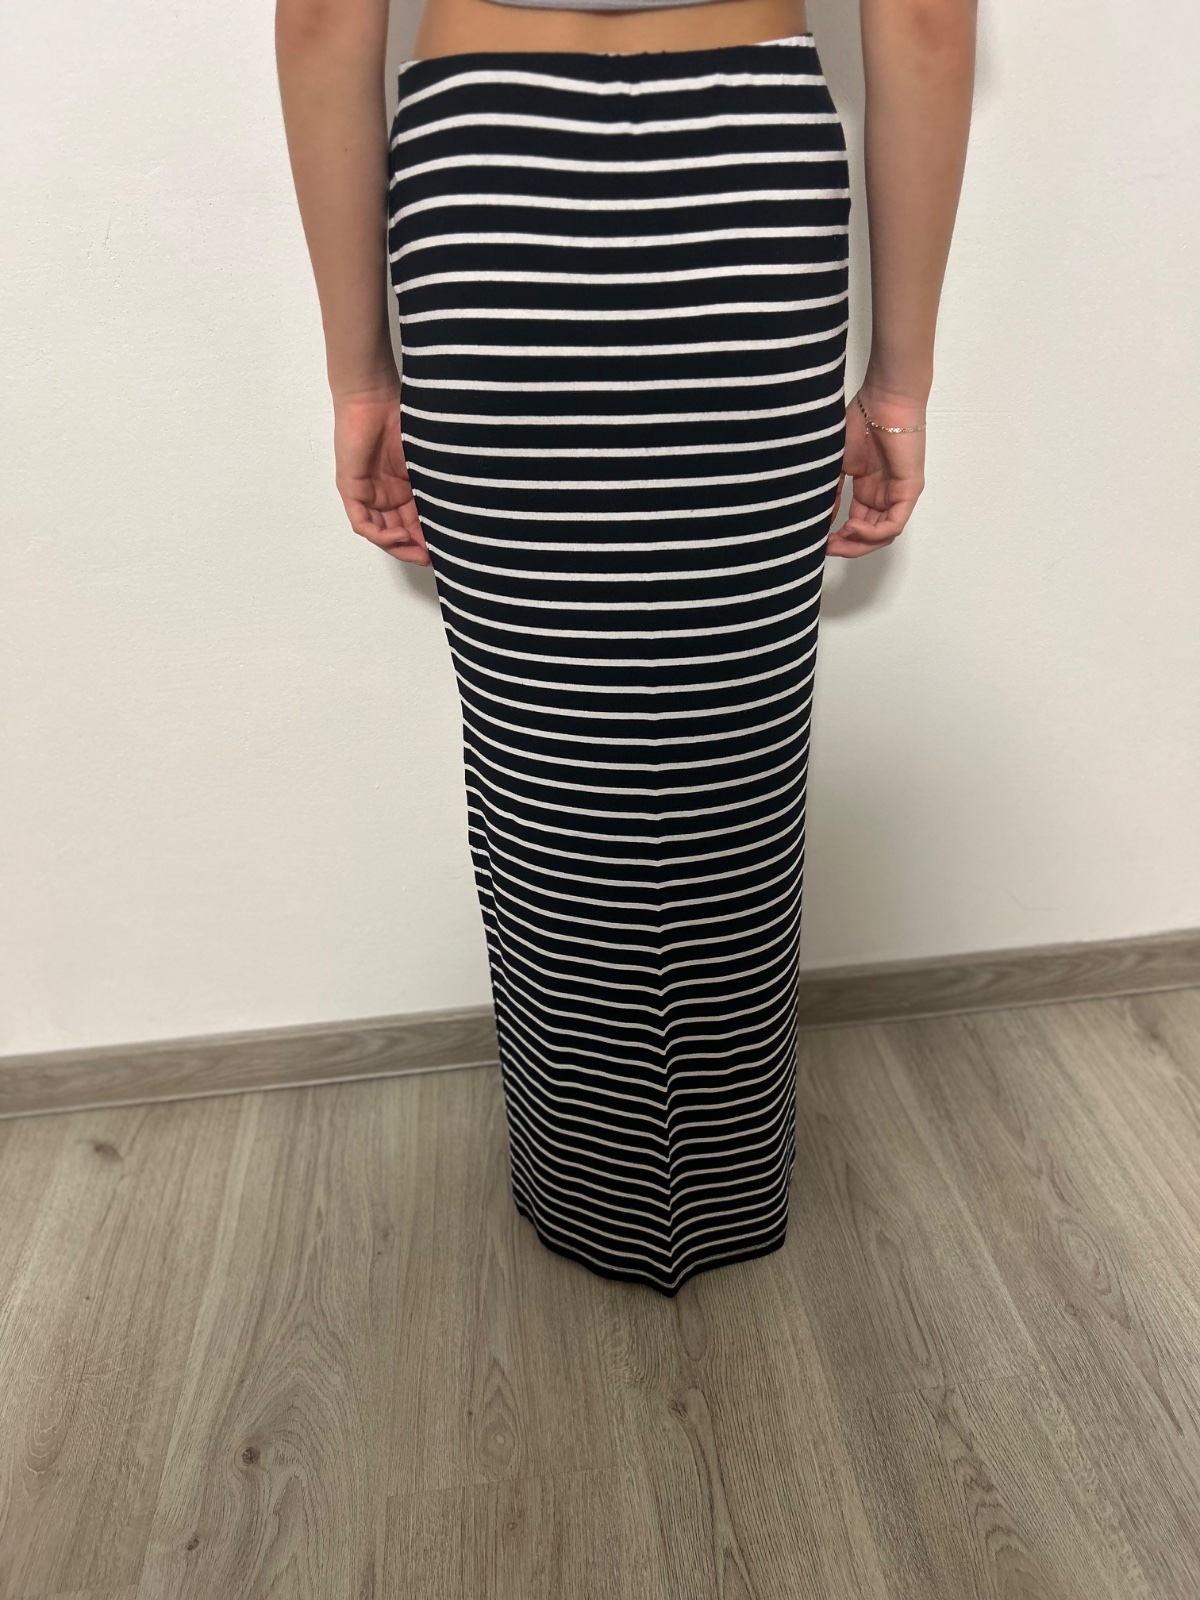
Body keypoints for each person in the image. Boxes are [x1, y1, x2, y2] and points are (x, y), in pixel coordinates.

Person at [275, 0, 976, 1295]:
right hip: (748, 186)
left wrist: (361, 380)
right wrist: (898, 387)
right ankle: (722, 1180)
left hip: (488, 182)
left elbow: (323, 19)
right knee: (737, 733)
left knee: (543, 742)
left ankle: (587, 1180)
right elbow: (926, 23)